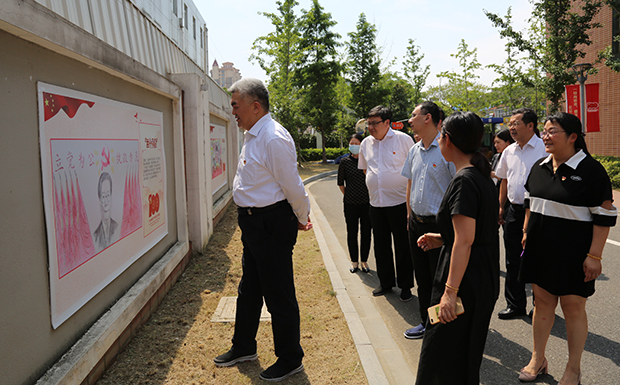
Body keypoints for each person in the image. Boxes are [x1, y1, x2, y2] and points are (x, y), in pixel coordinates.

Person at [213, 78, 312, 382]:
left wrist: (301, 216)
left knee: (278, 293)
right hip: (254, 222)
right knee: (250, 288)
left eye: (235, 104)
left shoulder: (272, 137)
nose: (232, 111)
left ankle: (290, 357)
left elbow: (292, 185)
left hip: (271, 222)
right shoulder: (252, 135)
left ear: (255, 106)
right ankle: (244, 346)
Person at [517, 113, 617, 385]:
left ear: (573, 137)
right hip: (540, 249)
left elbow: (604, 217)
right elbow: (529, 202)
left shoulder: (592, 171)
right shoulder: (539, 166)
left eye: (553, 132)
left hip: (574, 254)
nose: (546, 136)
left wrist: (594, 256)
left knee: (573, 308)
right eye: (545, 131)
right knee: (542, 304)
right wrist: (526, 231)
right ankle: (538, 358)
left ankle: (573, 369)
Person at [415, 111, 500, 385]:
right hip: (480, 276)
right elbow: (471, 233)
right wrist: (442, 238)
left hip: (464, 281)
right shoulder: (480, 175)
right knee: (463, 354)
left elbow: (465, 241)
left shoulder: (464, 180)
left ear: (447, 139)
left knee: (441, 356)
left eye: (441, 136)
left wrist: (449, 294)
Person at [401, 102, 456, 339]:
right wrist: (409, 215)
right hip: (417, 223)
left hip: (439, 226)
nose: (409, 120)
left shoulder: (447, 148)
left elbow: (457, 186)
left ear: (428, 118)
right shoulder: (414, 150)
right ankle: (427, 322)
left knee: (441, 278)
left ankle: (443, 326)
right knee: (422, 276)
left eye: (414, 115)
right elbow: (410, 183)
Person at [494, 108, 546, 320]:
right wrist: (500, 206)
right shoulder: (509, 151)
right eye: (510, 124)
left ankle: (541, 305)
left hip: (540, 211)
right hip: (514, 210)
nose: (511, 128)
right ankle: (515, 305)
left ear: (531, 126)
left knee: (538, 259)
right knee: (513, 259)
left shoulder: (545, 148)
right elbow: (504, 179)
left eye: (516, 123)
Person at [358, 105, 415, 301]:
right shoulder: (366, 143)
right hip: (376, 204)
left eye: (375, 123)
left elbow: (413, 171)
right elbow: (366, 170)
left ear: (387, 123)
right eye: (369, 123)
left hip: (399, 203)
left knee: (402, 247)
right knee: (381, 246)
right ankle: (386, 282)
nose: (371, 127)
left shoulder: (403, 140)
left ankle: (406, 285)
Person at [337, 133, 371, 273]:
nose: (354, 146)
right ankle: (354, 262)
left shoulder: (368, 160)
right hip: (350, 204)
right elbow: (340, 183)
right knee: (352, 232)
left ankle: (364, 261)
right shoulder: (344, 162)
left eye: (357, 143)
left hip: (367, 204)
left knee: (366, 233)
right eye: (352, 143)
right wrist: (349, 194)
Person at [93, 172, 118, 250]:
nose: (106, 202)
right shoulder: (96, 236)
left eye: (108, 195)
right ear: (99, 200)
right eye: (103, 196)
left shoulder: (117, 227)